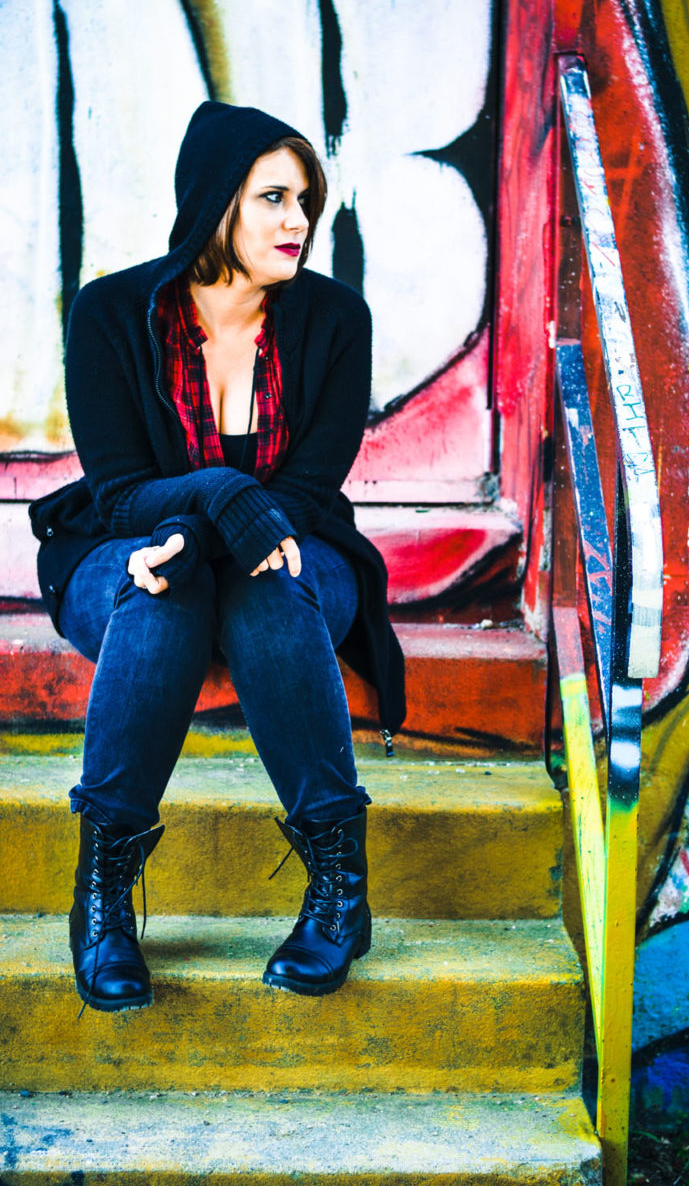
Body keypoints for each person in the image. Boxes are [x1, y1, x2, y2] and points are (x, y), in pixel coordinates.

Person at [29, 101, 406, 1014]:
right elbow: (119, 494)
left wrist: (219, 518)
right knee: (162, 596)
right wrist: (210, 507)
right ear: (214, 205)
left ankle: (338, 891)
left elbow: (309, 495)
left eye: (306, 201)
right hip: (127, 551)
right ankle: (103, 899)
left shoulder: (334, 320)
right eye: (273, 198)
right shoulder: (112, 314)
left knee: (272, 587)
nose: (298, 222)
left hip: (295, 554)